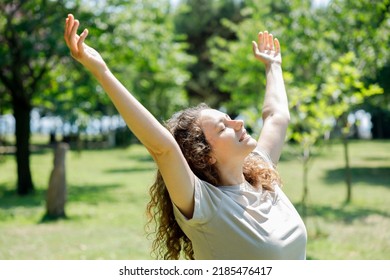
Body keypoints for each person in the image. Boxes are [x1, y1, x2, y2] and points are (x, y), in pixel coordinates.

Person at [64, 14, 307, 260]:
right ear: (205, 155)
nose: (239, 123)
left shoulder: (262, 175)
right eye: (223, 128)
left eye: (229, 117)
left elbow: (277, 116)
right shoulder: (205, 206)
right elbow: (163, 148)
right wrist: (102, 72)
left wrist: (273, 65)